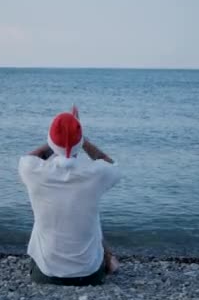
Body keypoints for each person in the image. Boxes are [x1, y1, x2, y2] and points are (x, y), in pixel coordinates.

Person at [18, 106, 121, 286]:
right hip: (89, 275)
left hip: (45, 273)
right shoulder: (96, 174)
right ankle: (109, 261)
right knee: (90, 221)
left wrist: (57, 142)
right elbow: (112, 165)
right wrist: (81, 140)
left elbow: (28, 158)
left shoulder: (32, 171)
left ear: (51, 140)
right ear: (80, 142)